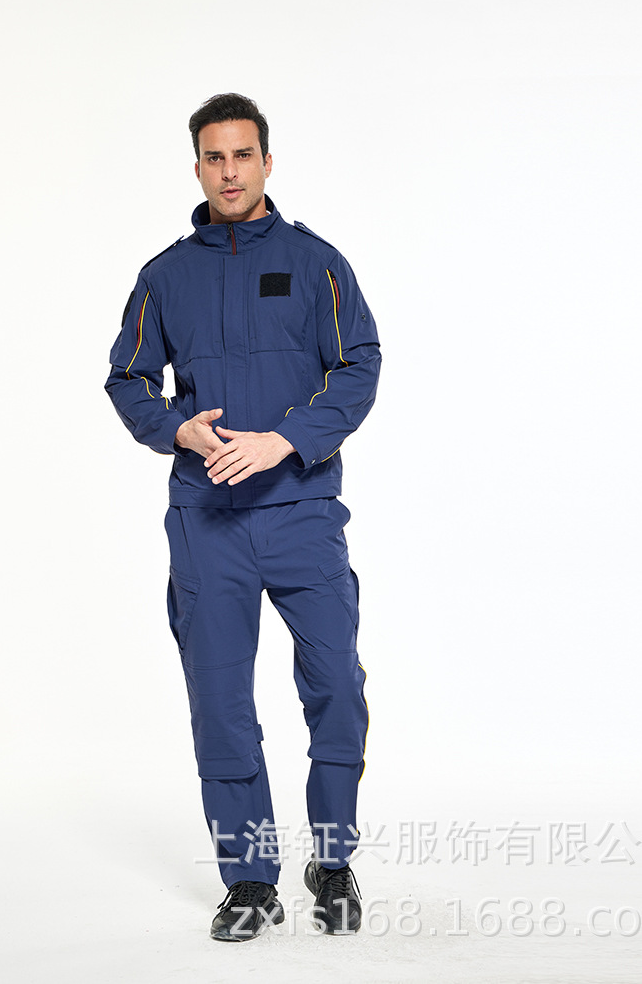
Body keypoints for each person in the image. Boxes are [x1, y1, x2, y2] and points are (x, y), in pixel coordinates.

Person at [104, 93, 381, 941]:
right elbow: (127, 377)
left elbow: (359, 366)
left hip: (302, 512)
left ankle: (332, 858)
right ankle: (251, 878)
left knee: (337, 688)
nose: (230, 172)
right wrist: (176, 428)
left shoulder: (316, 263)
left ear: (267, 161)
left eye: (243, 155)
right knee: (222, 704)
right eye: (214, 157)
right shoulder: (165, 276)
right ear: (198, 167)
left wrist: (284, 440)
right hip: (208, 521)